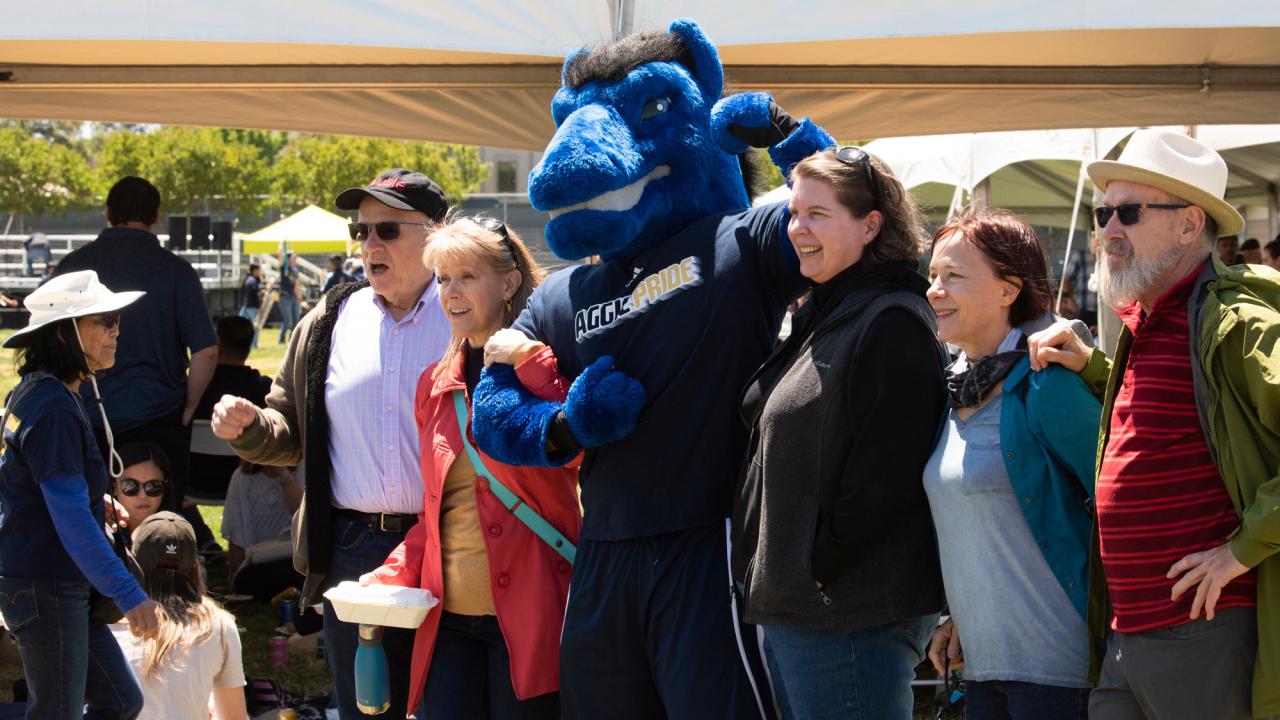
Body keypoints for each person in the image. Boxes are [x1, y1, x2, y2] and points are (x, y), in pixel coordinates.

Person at [1027, 128, 1280, 720]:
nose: (1108, 231)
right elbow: (1182, 418)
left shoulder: (1237, 323)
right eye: (1102, 213)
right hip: (1126, 636)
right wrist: (1095, 369)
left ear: (1191, 225)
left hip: (1204, 637)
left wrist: (1240, 553)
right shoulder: (1153, 319)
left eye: (1129, 213)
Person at [210, 168, 452, 720]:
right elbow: (287, 432)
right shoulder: (327, 321)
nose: (369, 245)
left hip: (451, 541)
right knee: (365, 703)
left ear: (436, 234)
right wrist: (249, 428)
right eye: (360, 232)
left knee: (449, 696)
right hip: (352, 547)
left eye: (387, 230)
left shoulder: (469, 310)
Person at [732, 147, 946, 720]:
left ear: (871, 225)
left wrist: (819, 564)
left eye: (818, 215)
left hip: (847, 616)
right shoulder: (822, 313)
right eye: (794, 213)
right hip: (800, 610)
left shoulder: (891, 319)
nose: (797, 228)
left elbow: (890, 475)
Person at [360, 217, 579, 718]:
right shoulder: (432, 386)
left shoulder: (547, 365)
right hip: (448, 622)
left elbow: (579, 449)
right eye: (442, 279)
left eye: (466, 277)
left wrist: (534, 366)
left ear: (507, 282)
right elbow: (435, 514)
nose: (450, 292)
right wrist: (392, 572)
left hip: (533, 616)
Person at [922, 210, 1101, 720]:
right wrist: (959, 613)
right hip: (981, 667)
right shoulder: (953, 385)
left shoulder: (1048, 380)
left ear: (1009, 290)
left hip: (1057, 674)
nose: (935, 290)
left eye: (954, 276)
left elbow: (1122, 497)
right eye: (932, 275)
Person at [0, 270, 160, 719]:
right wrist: (128, 594)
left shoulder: (40, 393)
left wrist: (93, 501)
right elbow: (68, 519)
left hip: (53, 583)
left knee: (120, 700)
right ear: (67, 332)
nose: (116, 330)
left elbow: (33, 485)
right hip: (47, 586)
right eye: (104, 319)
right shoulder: (51, 406)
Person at [56, 176, 219, 512]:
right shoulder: (177, 271)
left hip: (85, 418)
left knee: (86, 520)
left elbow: (51, 343)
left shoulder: (72, 267)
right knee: (161, 535)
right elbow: (207, 349)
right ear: (156, 214)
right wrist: (187, 408)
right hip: (158, 419)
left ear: (107, 212)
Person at [111, 511, 248, 720]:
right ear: (196, 568)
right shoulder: (218, 624)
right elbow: (234, 717)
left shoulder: (105, 624)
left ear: (133, 564)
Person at [189, 315, 271, 502]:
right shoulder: (264, 391)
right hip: (248, 481)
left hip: (192, 480)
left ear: (218, 345)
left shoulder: (194, 391)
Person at [222, 461, 302, 583]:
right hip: (259, 566)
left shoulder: (302, 471)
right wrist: (235, 580)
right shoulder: (241, 478)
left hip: (296, 563)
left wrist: (284, 477)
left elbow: (305, 517)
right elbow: (236, 539)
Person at [112, 442, 173, 532]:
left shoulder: (179, 534)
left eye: (153, 486)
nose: (142, 495)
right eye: (130, 485)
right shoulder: (96, 533)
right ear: (114, 487)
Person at [277, 249, 301, 343]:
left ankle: (292, 340)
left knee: (296, 320)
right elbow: (280, 256)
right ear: (289, 259)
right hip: (285, 297)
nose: (295, 259)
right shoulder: (284, 268)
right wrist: (281, 245)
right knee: (288, 320)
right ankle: (281, 339)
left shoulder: (295, 270)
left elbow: (296, 284)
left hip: (293, 298)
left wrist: (299, 297)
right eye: (294, 257)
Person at [239, 264, 263, 348]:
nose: (260, 272)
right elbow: (255, 296)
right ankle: (254, 345)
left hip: (245, 306)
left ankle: (240, 344)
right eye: (259, 270)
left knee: (240, 326)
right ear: (255, 270)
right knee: (255, 326)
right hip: (252, 307)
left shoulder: (247, 279)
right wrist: (258, 307)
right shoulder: (253, 281)